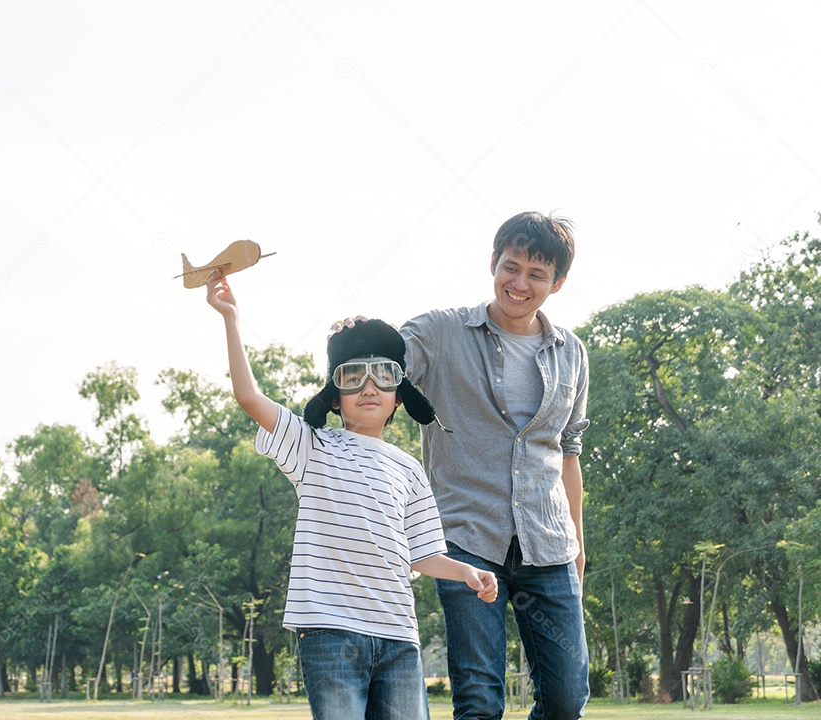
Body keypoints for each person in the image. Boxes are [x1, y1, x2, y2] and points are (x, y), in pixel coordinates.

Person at [205, 269, 498, 720]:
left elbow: (422, 555)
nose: (368, 387)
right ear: (335, 397)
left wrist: (468, 572)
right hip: (330, 634)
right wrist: (231, 317)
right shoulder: (312, 446)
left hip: (400, 636)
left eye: (383, 376)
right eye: (352, 376)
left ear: (399, 396)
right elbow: (248, 396)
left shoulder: (409, 469)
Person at [399, 211, 590, 720]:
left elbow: (568, 451)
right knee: (480, 700)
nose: (519, 283)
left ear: (558, 282)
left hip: (548, 545)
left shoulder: (571, 352)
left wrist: (579, 546)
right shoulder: (441, 333)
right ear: (493, 262)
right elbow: (385, 361)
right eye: (511, 267)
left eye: (536, 274)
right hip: (466, 540)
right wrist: (358, 337)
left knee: (568, 700)